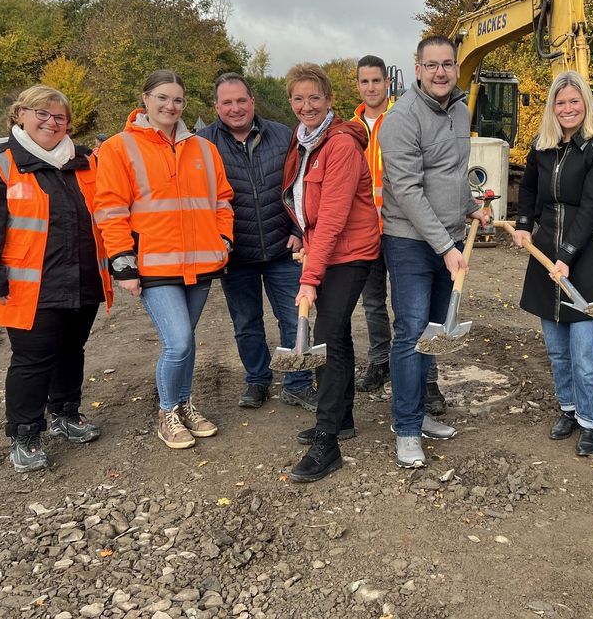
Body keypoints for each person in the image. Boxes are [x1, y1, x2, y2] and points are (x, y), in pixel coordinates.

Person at [0, 85, 113, 472]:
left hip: (83, 277)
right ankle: (25, 432)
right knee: (32, 359)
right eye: (42, 114)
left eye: (59, 117)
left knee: (72, 350)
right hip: (29, 286)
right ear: (20, 115)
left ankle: (66, 412)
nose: (51, 122)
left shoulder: (85, 161)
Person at [94, 70, 234, 450]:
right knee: (179, 341)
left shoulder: (203, 148)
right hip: (153, 265)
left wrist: (223, 240)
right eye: (162, 97)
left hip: (201, 262)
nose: (170, 106)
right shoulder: (120, 148)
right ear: (145, 99)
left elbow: (222, 200)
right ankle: (167, 411)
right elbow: (110, 208)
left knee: (187, 343)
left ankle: (185, 404)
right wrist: (122, 261)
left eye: (177, 100)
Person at [378, 35, 489, 468]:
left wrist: (471, 207)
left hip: (449, 238)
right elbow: (405, 190)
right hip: (409, 242)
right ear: (418, 68)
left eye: (448, 64)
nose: (441, 72)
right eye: (432, 65)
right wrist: (445, 246)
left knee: (436, 333)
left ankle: (420, 413)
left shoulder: (460, 111)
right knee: (411, 333)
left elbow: (453, 174)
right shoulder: (401, 118)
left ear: (456, 67)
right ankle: (405, 427)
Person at [512, 71, 593, 456]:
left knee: (585, 348)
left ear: (586, 104)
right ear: (552, 107)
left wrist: (565, 257)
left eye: (574, 101)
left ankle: (590, 422)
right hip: (546, 254)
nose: (567, 109)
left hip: (589, 257)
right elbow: (528, 188)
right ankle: (568, 409)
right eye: (560, 103)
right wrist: (524, 225)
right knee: (557, 347)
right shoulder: (542, 146)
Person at [281, 63, 380, 482]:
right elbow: (307, 204)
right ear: (291, 102)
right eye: (299, 98)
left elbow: (336, 216)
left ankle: (328, 442)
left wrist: (309, 278)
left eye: (314, 98)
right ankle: (342, 420)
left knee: (325, 336)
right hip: (324, 248)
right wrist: (301, 235)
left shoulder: (339, 144)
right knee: (334, 335)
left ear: (329, 101)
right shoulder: (303, 142)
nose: (307, 105)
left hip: (352, 251)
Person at [198, 73, 314, 411]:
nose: (236, 108)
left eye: (241, 100)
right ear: (216, 106)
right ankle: (257, 380)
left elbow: (302, 188)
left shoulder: (284, 135)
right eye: (227, 102)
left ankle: (298, 382)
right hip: (236, 254)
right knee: (246, 322)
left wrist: (299, 231)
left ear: (252, 101)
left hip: (283, 248)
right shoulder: (203, 145)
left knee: (295, 319)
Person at [351, 56, 446, 414]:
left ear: (387, 83)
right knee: (373, 303)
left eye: (377, 81)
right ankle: (380, 361)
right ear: (358, 85)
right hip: (367, 231)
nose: (372, 87)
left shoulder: (405, 117)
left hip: (406, 230)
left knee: (414, 312)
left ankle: (428, 379)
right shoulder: (351, 129)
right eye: (365, 82)